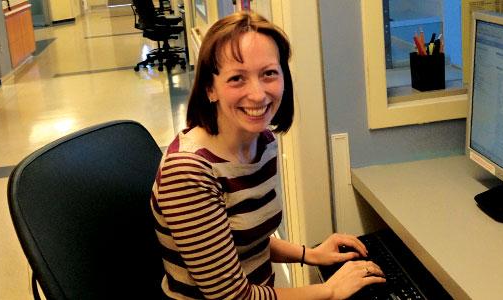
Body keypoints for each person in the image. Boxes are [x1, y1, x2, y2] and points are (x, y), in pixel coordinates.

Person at [150, 10, 385, 300]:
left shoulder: (262, 141)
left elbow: (243, 240)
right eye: (237, 78)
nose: (258, 94)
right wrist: (330, 290)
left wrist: (309, 254)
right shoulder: (188, 172)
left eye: (269, 73)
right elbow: (233, 297)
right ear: (210, 88)